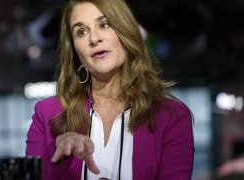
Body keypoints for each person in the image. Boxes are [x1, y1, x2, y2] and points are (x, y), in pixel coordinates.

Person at [26, 0, 195, 179]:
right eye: (81, 32)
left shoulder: (172, 116)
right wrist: (59, 154)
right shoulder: (46, 114)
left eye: (104, 25)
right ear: (75, 51)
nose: (94, 38)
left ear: (126, 32)